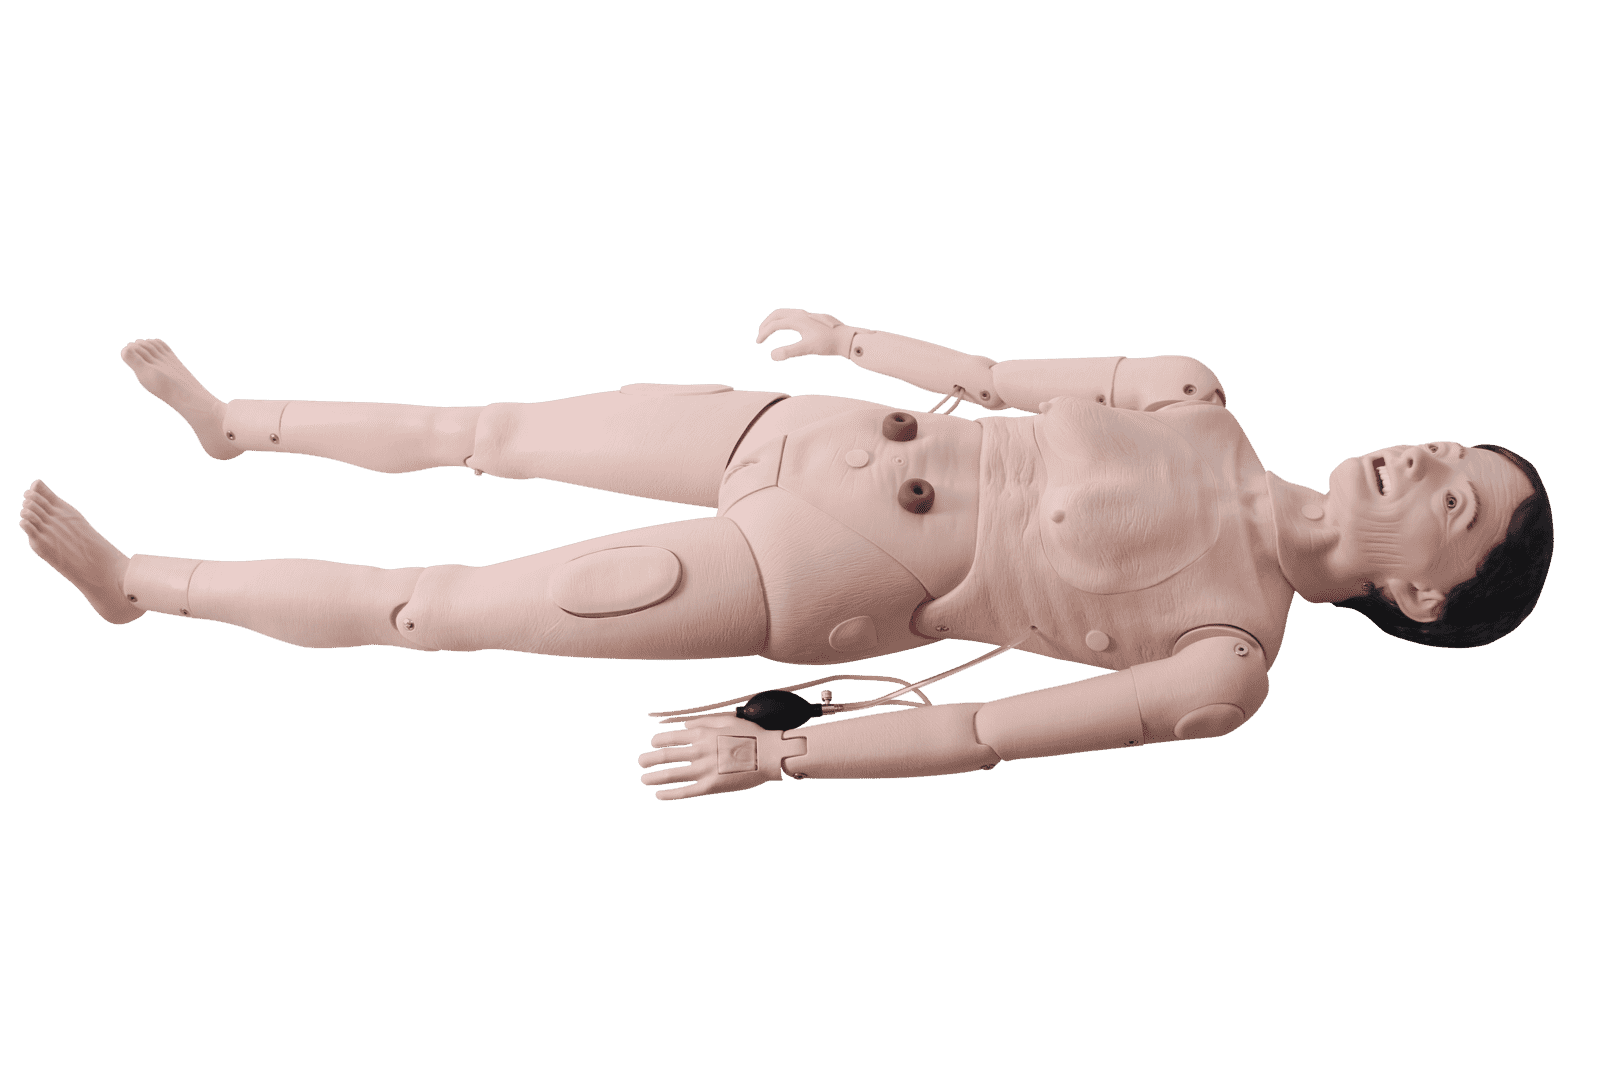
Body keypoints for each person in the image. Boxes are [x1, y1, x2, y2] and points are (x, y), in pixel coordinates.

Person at [19, 309, 1554, 801]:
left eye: (1455, 502)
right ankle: (238, 425)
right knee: (494, 429)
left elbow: (980, 732)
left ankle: (140, 587)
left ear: (1425, 594)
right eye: (1449, 450)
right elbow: (997, 381)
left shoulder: (1226, 664)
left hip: (824, 575)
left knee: (442, 608)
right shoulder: (1192, 394)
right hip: (812, 432)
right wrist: (855, 337)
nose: (1425, 461)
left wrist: (784, 758)